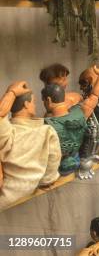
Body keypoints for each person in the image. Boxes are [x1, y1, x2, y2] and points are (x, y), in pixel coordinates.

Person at [0, 82, 61, 210]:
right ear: (26, 104)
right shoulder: (46, 131)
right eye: (33, 101)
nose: (35, 105)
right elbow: (52, 163)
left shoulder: (9, 132)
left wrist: (10, 93)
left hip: (6, 194)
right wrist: (47, 181)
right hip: (29, 187)